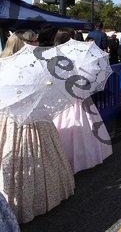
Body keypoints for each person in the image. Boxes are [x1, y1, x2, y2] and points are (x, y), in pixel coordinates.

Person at [0, 32, 75, 223]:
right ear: (23, 44)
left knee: (17, 158)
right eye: (32, 41)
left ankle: (20, 203)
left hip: (13, 119)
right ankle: (34, 201)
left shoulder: (4, 65)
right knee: (31, 157)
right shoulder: (24, 66)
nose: (36, 43)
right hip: (24, 119)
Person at [52, 32, 113, 173]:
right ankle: (89, 157)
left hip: (64, 98)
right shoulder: (79, 55)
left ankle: (67, 159)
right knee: (87, 125)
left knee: (67, 125)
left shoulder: (55, 56)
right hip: (81, 95)